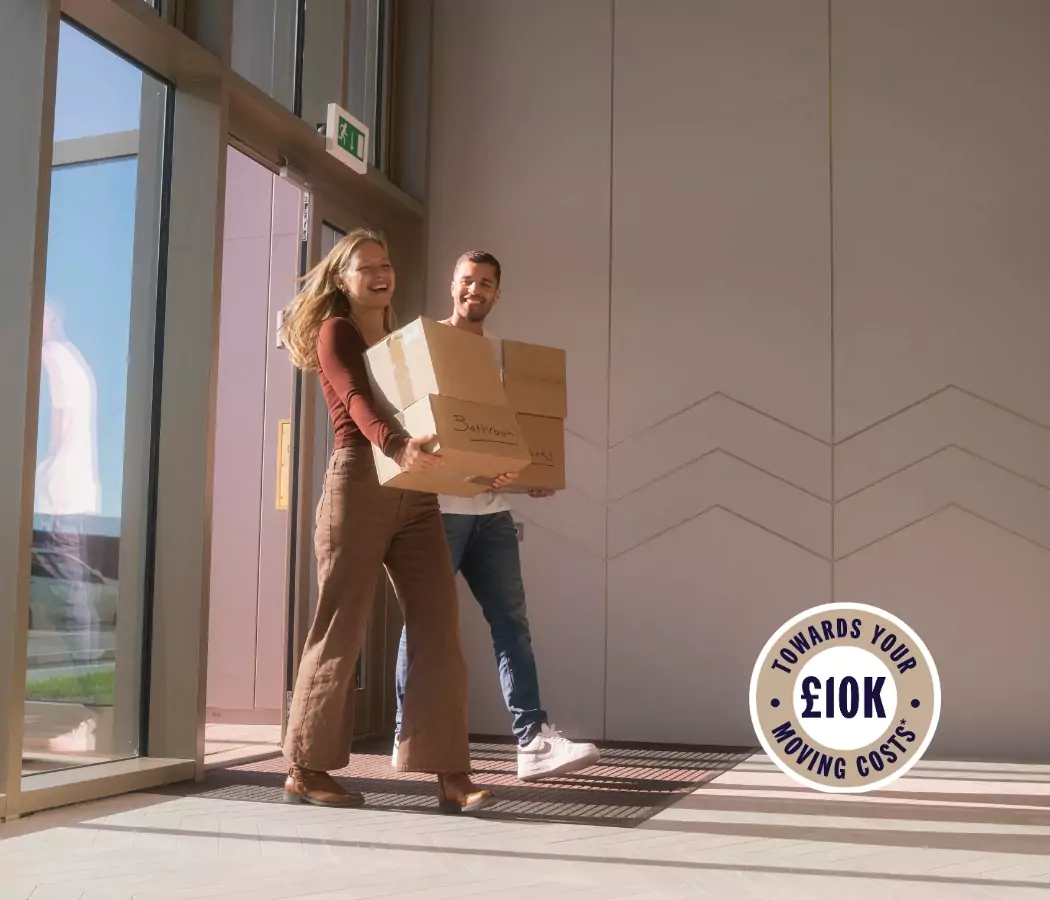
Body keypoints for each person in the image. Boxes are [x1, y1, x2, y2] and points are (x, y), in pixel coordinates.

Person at [280, 228, 494, 813]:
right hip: (360, 480)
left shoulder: (402, 342)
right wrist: (396, 445)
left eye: (387, 263)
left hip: (416, 489)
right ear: (343, 279)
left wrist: (483, 469)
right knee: (341, 625)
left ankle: (451, 774)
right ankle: (305, 766)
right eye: (367, 267)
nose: (382, 273)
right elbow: (355, 400)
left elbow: (443, 418)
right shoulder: (337, 331)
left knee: (439, 626)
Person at [392, 250, 601, 782]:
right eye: (467, 280)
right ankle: (407, 730)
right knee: (426, 625)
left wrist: (527, 472)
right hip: (439, 512)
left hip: (493, 514)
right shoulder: (426, 347)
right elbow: (413, 421)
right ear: (452, 284)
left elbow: (518, 435)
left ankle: (532, 740)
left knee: (514, 626)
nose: (475, 289)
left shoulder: (504, 362)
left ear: (497, 293)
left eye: (486, 283)